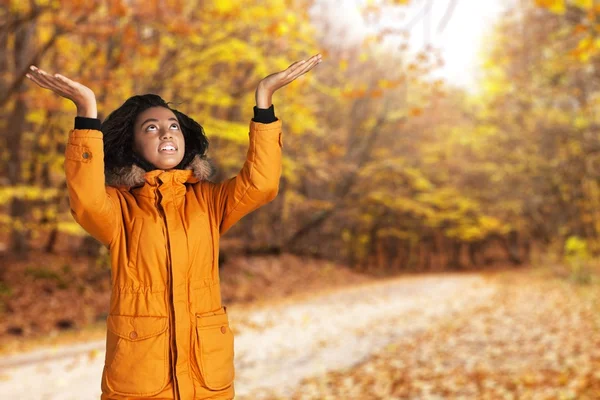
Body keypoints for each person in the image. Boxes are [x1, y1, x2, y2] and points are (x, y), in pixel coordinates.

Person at [26, 53, 322, 400]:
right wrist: (86, 111)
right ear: (132, 144)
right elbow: (86, 200)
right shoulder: (120, 208)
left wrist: (265, 99)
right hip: (141, 379)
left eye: (173, 126)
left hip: (206, 376)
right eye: (151, 127)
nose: (166, 132)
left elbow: (262, 184)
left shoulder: (209, 201)